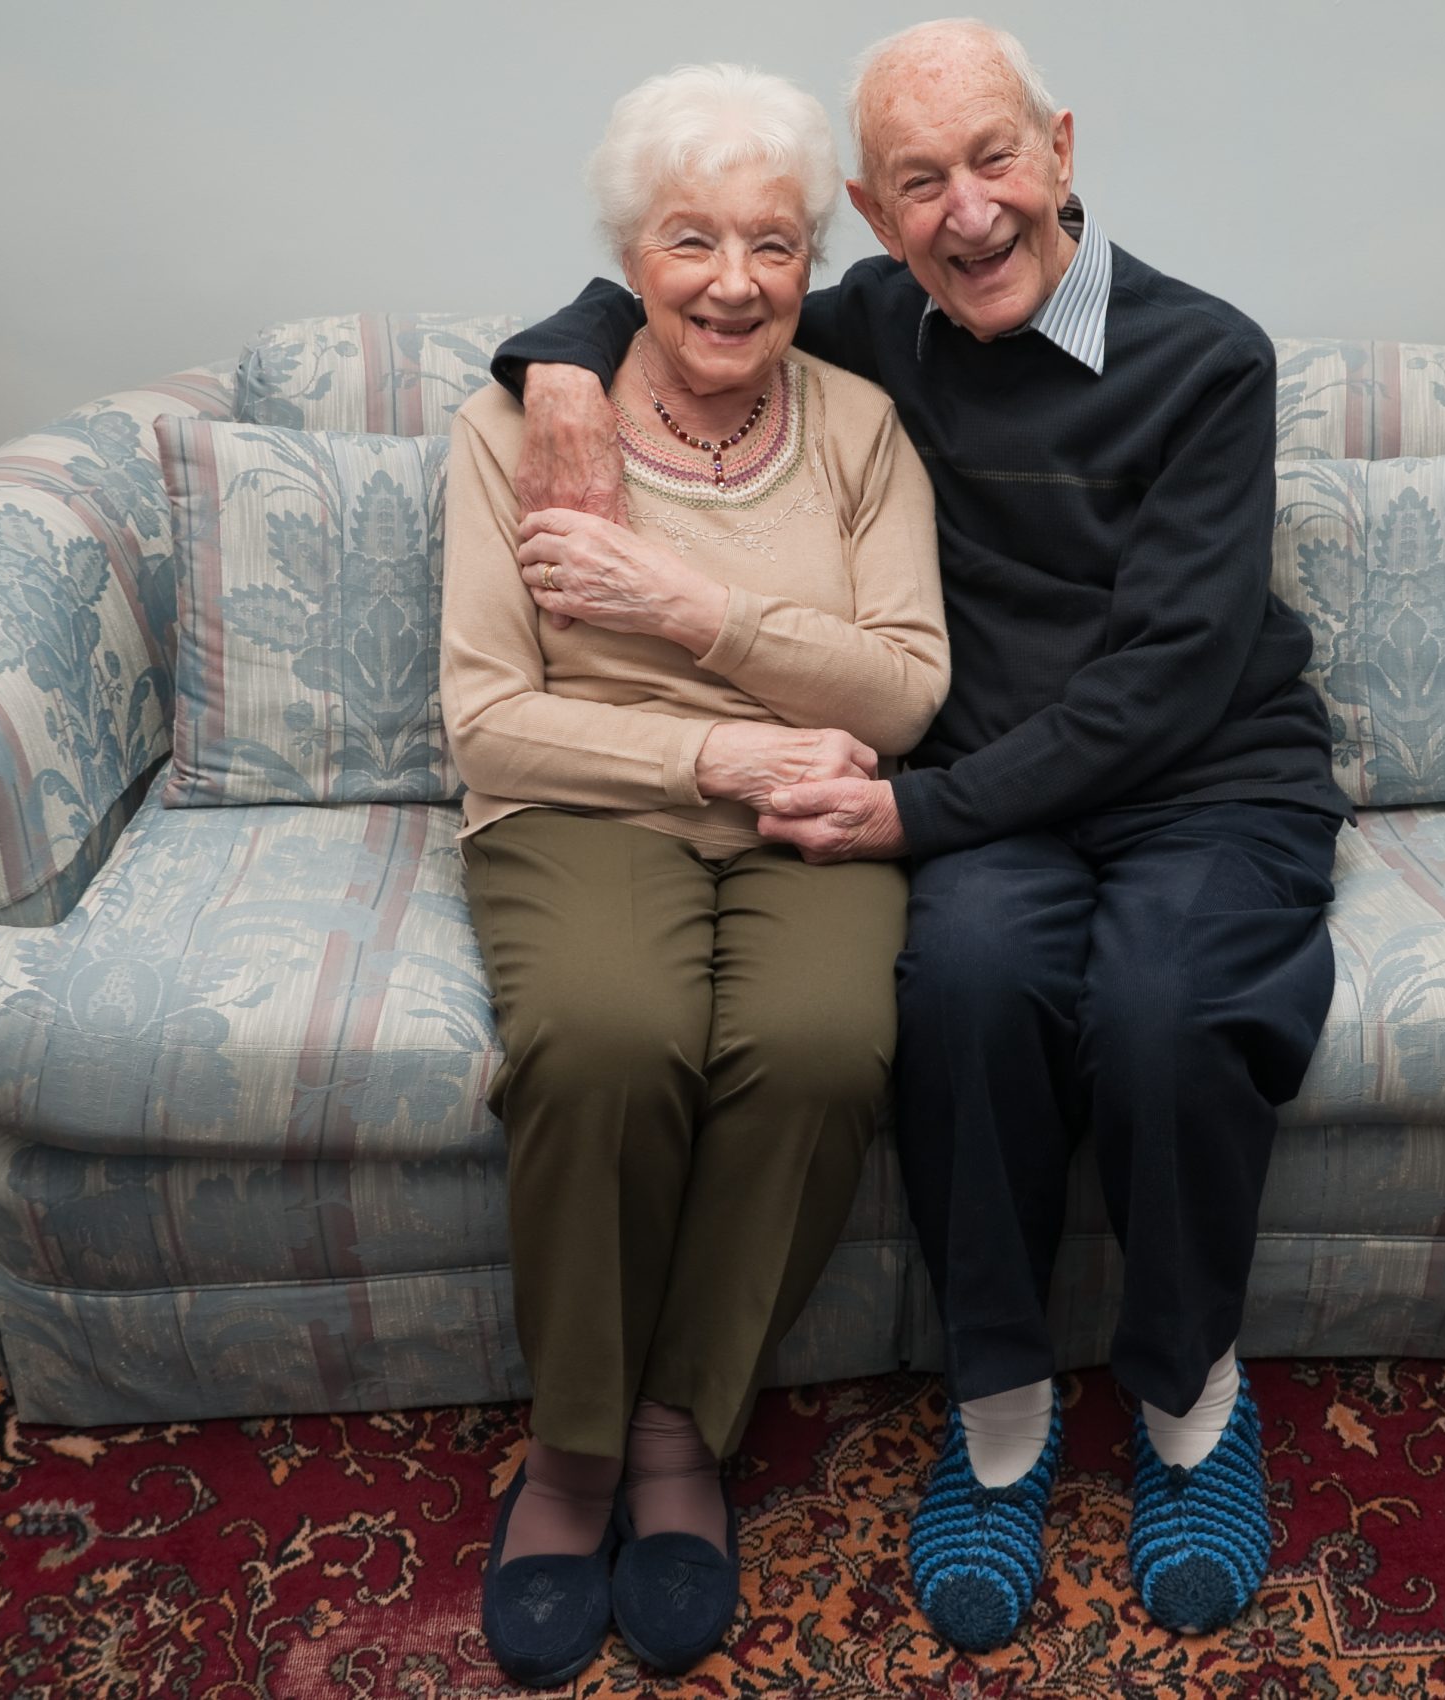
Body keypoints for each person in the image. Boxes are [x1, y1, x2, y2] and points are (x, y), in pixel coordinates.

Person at [494, 18, 1348, 1651]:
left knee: (1168, 1019)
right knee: (957, 984)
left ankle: (1189, 1408)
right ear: (875, 225)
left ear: (1064, 150)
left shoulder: (1207, 357)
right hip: (996, 791)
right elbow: (690, 284)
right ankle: (1002, 1420)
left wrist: (911, 810)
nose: (968, 215)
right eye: (917, 186)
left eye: (995, 160)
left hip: (1200, 776)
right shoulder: (881, 321)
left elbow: (1167, 685)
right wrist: (557, 362)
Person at [441, 62, 947, 1685]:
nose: (735, 281)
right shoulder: (519, 422)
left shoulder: (864, 426)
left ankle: (677, 1430)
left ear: (817, 259)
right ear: (627, 258)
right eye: (691, 240)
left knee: (817, 1047)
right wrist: (716, 751)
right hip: (588, 809)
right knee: (603, 1036)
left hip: (815, 817)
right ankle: (576, 1450)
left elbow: (907, 690)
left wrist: (684, 607)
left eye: (775, 244)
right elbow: (492, 723)